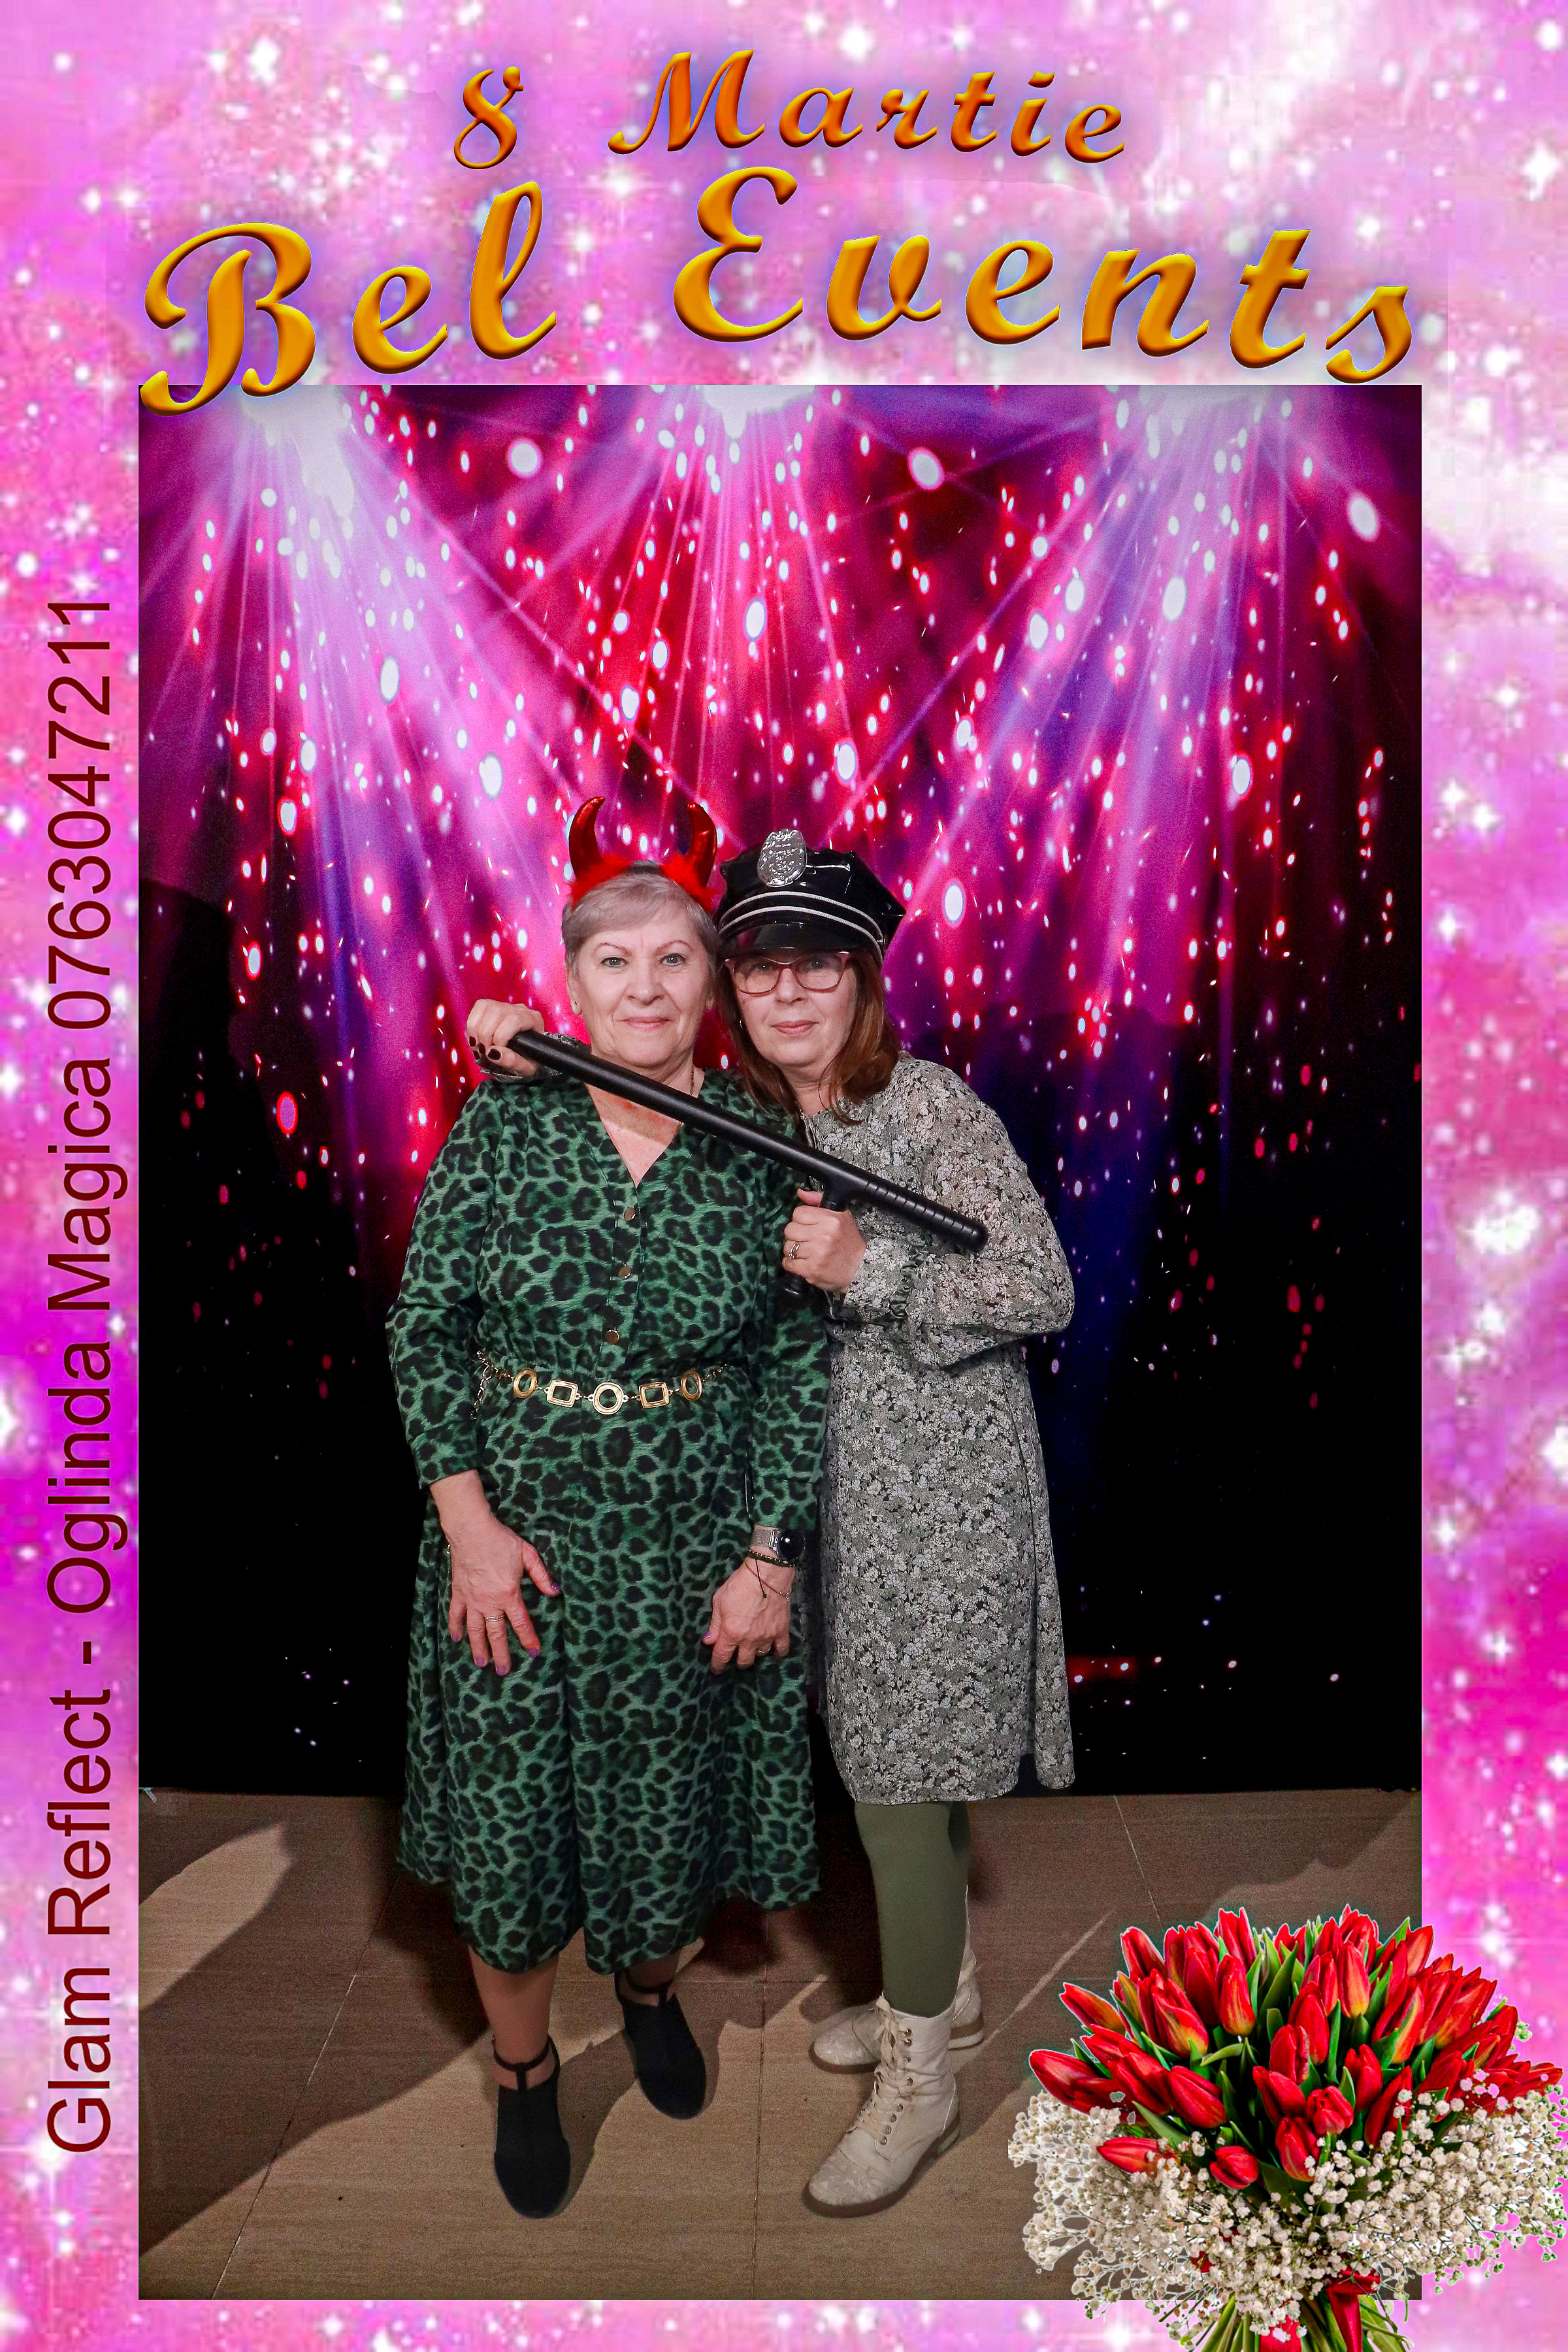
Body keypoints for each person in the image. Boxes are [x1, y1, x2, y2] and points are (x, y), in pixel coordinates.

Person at [466, 822, 1075, 2218]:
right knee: (883, 1764)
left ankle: (922, 2080)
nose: (789, 993)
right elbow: (617, 1075)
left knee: (902, 1789)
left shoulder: (928, 1109)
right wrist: (522, 1040)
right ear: (730, 989)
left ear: (865, 981)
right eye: (760, 969)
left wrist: (876, 1271)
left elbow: (1041, 1287)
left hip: (937, 1503)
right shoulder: (744, 1113)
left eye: (821, 967)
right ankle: (943, 1990)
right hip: (805, 1505)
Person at [390, 795, 828, 2221]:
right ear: (571, 980)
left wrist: (769, 1558)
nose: (644, 989)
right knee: (512, 1828)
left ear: (713, 983)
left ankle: (648, 1993)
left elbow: (795, 1364)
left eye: (673, 959)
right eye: (613, 961)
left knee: (667, 1808)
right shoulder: (505, 1119)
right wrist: (468, 1529)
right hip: (513, 1543)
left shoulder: (762, 1139)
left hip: (690, 1545)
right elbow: (424, 1329)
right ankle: (524, 2070)